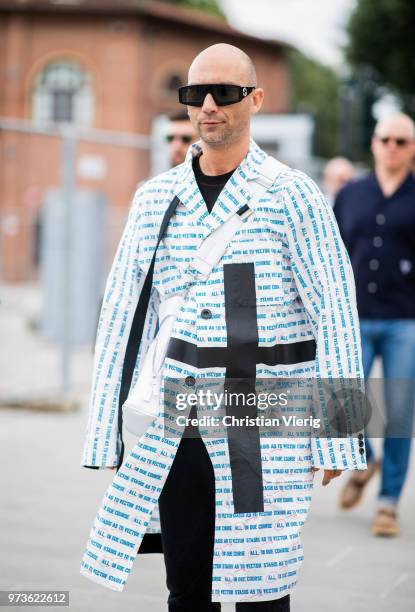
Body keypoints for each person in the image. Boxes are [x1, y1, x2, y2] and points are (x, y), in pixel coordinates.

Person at [80, 44, 366, 610]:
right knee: (187, 585)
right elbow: (122, 316)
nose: (209, 105)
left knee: (264, 588)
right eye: (196, 94)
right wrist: (104, 428)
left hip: (268, 417)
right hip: (179, 417)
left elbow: (334, 308)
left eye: (226, 93)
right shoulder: (156, 198)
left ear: (255, 100)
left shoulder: (293, 195)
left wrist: (341, 431)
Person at [334, 112, 415, 537]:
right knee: (343, 400)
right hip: (355, 316)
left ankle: (387, 503)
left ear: (412, 148)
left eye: (402, 141)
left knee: (399, 414)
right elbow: (331, 252)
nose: (393, 147)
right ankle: (364, 459)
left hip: (406, 319)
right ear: (373, 143)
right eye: (386, 139)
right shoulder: (351, 194)